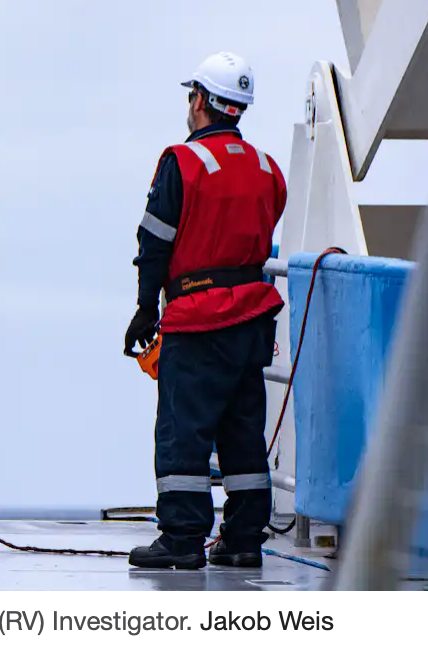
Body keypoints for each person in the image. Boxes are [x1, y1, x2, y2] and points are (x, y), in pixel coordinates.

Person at [125, 52, 287, 569]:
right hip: (253, 317)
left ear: (199, 100)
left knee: (183, 429)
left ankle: (181, 538)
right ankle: (242, 539)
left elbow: (154, 242)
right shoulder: (268, 167)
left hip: (198, 318)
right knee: (243, 430)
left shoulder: (182, 162)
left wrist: (144, 308)